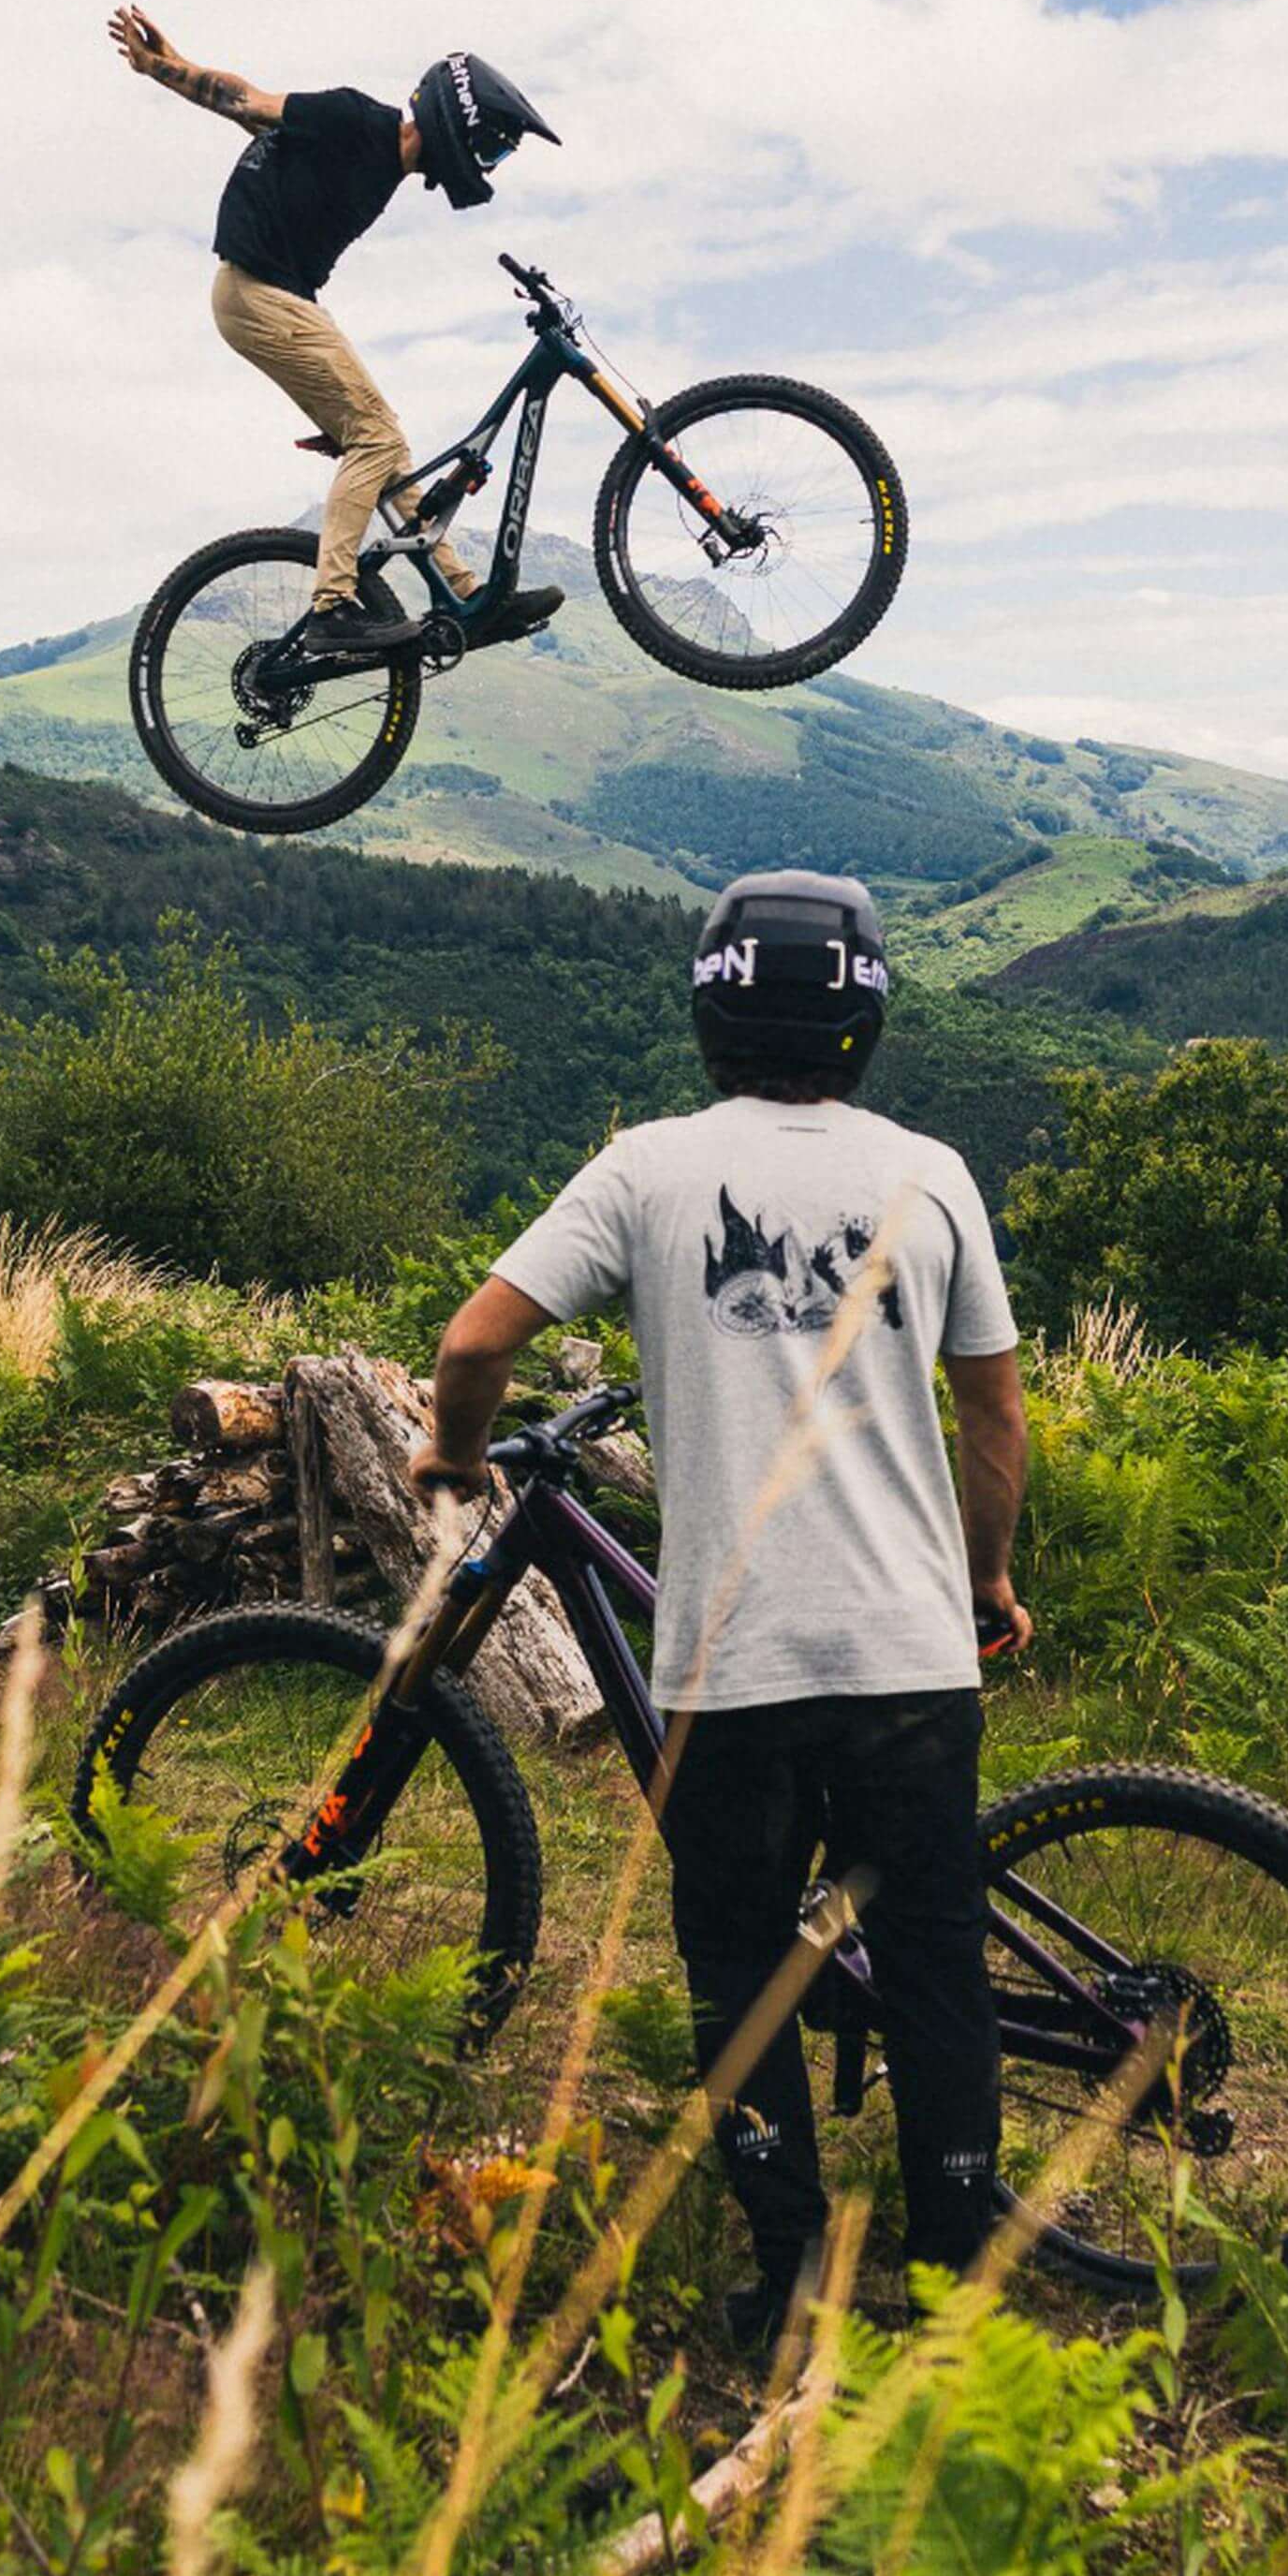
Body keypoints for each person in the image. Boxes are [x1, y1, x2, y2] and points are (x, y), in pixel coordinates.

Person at [418, 869, 1031, 2345]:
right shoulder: (931, 1169)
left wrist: (446, 1451)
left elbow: (475, 1336)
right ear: (865, 1016)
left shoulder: (646, 1168)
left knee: (740, 1960)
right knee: (939, 1954)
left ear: (713, 1003)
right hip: (904, 1653)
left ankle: (792, 2266)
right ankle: (952, 2251)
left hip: (729, 1664)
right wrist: (989, 1575)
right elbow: (995, 1420)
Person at [106, 6, 558, 656]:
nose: (487, 161)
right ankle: (333, 608)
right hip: (254, 292)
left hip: (281, 301)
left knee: (384, 445)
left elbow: (254, 120)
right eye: (491, 145)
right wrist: (163, 69)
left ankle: (463, 595)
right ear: (461, 123)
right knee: (374, 436)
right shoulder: (356, 120)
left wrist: (329, 403)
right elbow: (251, 105)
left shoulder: (382, 175)